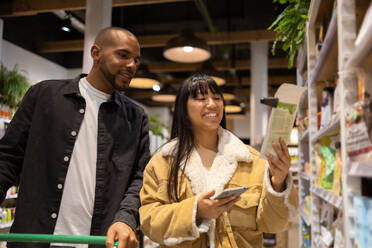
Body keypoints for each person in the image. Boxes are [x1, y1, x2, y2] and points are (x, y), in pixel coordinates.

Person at [0, 27, 150, 248]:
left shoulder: (135, 118)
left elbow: (140, 179)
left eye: (136, 60)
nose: (132, 65)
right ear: (96, 52)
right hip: (35, 239)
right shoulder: (44, 96)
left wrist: (125, 219)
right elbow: (7, 158)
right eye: (123, 55)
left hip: (99, 241)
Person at [139, 74, 298, 248]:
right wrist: (195, 210)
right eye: (201, 98)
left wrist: (278, 183)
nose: (212, 104)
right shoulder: (162, 163)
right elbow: (149, 221)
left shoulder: (250, 161)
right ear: (183, 108)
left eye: (217, 98)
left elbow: (274, 224)